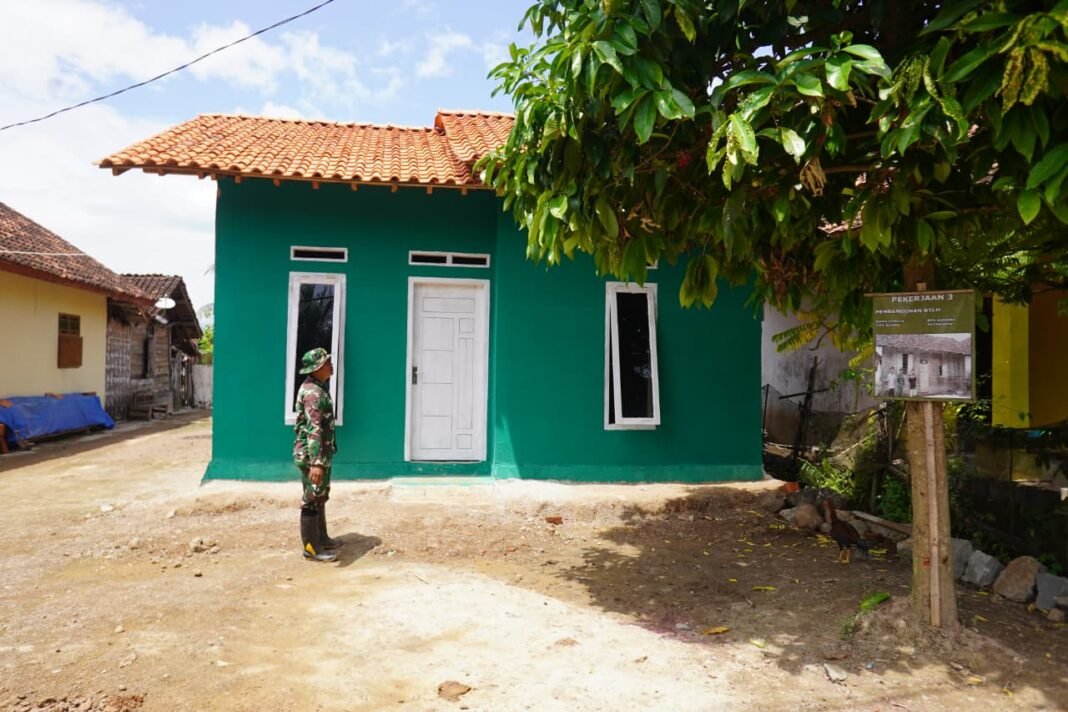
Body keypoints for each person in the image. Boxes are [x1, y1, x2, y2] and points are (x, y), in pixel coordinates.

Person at [293, 347, 343, 563]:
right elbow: (313, 429)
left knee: (320, 495)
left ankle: (322, 539)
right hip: (312, 456)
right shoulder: (313, 394)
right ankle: (312, 549)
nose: (330, 364)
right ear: (316, 368)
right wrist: (316, 463)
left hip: (320, 454)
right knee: (312, 499)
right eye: (326, 363)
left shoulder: (318, 387)